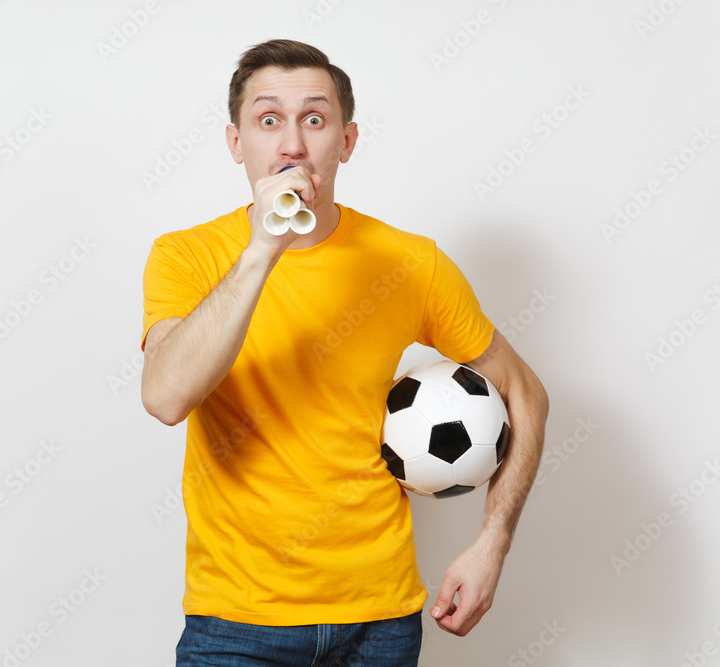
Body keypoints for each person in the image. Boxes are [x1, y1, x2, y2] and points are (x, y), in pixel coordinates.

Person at [140, 38, 549, 666]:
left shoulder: (409, 262)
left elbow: (525, 393)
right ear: (236, 143)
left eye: (315, 118)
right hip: (237, 623)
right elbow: (166, 397)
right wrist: (262, 251)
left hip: (380, 622)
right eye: (268, 120)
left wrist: (491, 544)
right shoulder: (186, 256)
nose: (292, 144)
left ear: (347, 142)